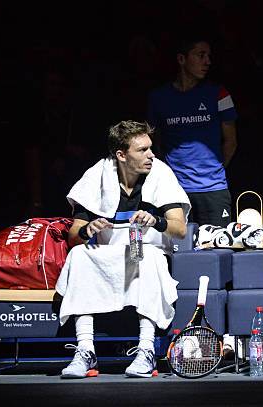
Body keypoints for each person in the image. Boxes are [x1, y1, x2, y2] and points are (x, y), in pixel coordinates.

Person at [56, 120, 190, 379]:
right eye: (142, 150)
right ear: (121, 154)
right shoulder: (98, 175)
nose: (151, 155)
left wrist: (157, 221)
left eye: (151, 148)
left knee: (148, 257)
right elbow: (74, 235)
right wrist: (88, 229)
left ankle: (146, 349)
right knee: (79, 255)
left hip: (146, 250)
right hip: (108, 254)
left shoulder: (160, 173)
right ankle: (85, 350)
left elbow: (180, 229)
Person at [147, 35, 237, 228]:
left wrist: (215, 170)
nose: (208, 61)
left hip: (214, 190)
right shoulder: (158, 98)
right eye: (201, 55)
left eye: (209, 56)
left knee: (216, 250)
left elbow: (231, 141)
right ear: (181, 59)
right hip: (174, 190)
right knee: (177, 251)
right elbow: (153, 140)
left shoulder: (219, 93)